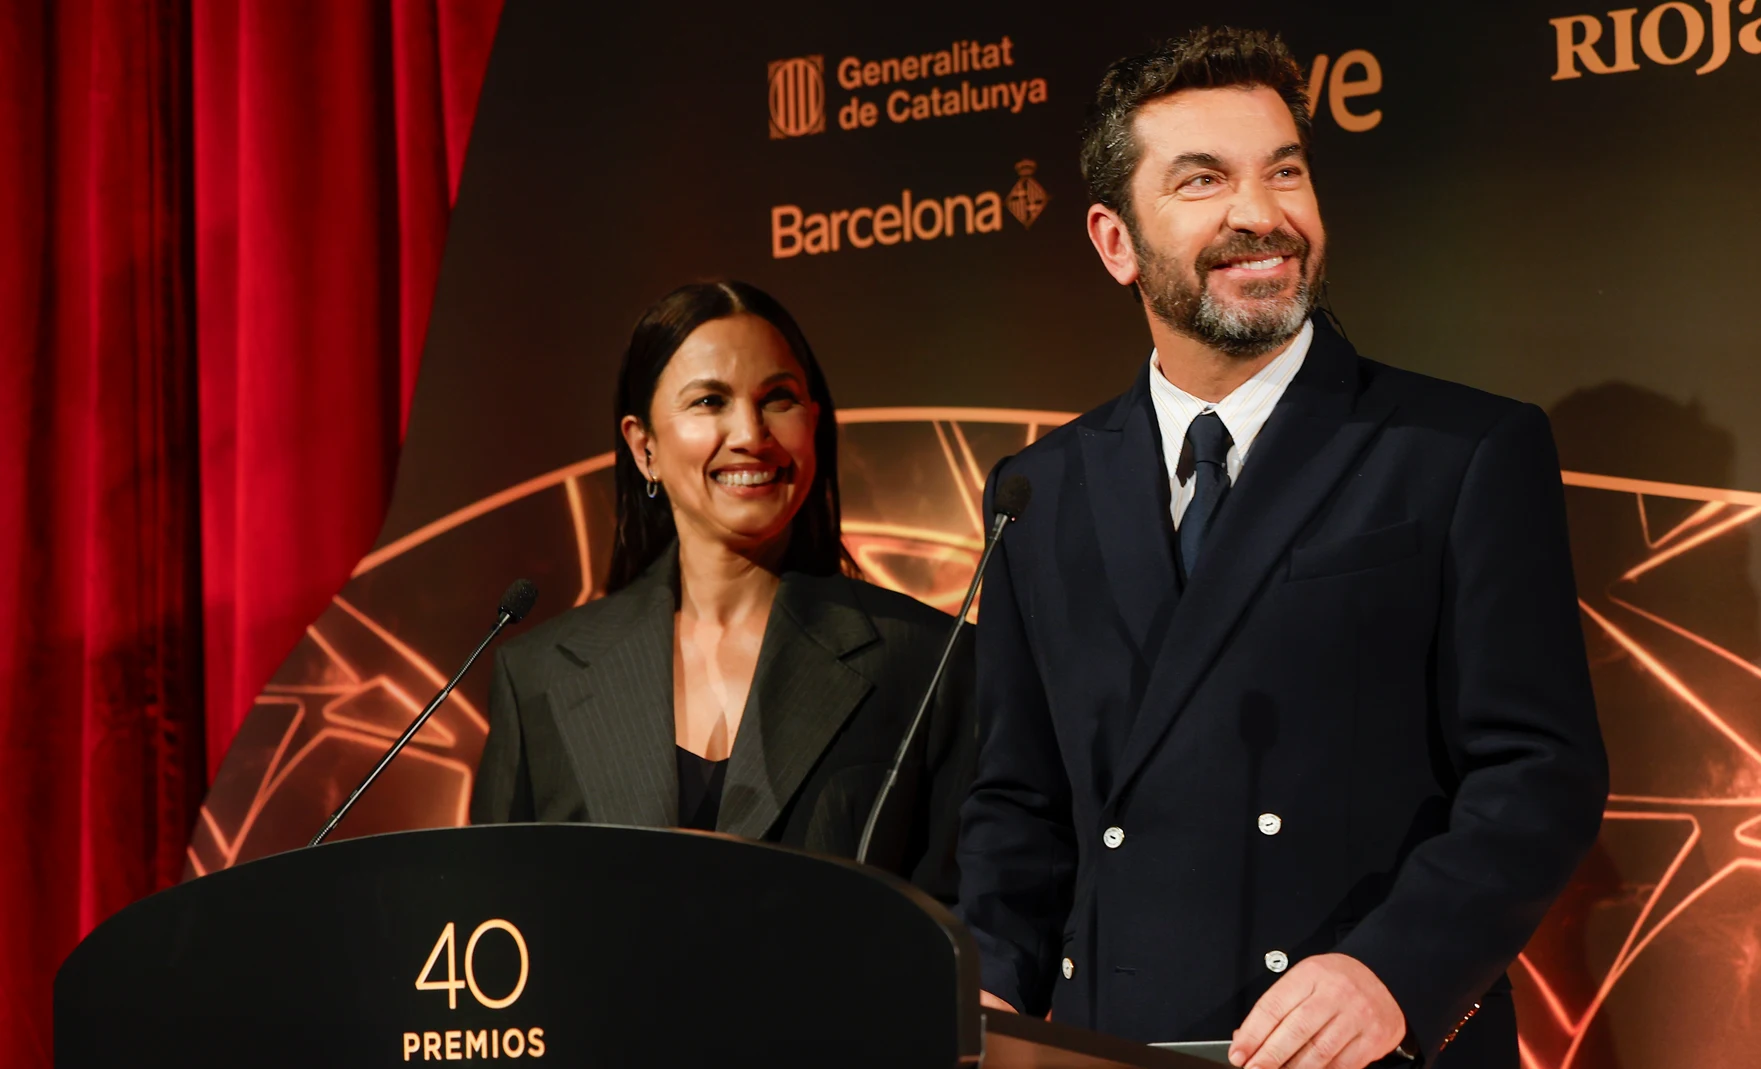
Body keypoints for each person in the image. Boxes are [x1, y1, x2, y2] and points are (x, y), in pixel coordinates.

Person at [955, 27, 1608, 1069]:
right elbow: (1019, 804)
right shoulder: (1042, 488)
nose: (1260, 214)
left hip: (1353, 1044)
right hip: (1103, 1041)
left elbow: (1539, 773)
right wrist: (988, 987)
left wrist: (1392, 971)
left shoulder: (1459, 450)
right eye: (1203, 180)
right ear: (1115, 242)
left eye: (1285, 172)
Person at [471, 280, 975, 902]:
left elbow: (963, 919)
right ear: (644, 447)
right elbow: (491, 917)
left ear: (814, 423)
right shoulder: (537, 676)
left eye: (779, 399)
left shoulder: (930, 661)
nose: (750, 434)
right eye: (710, 401)